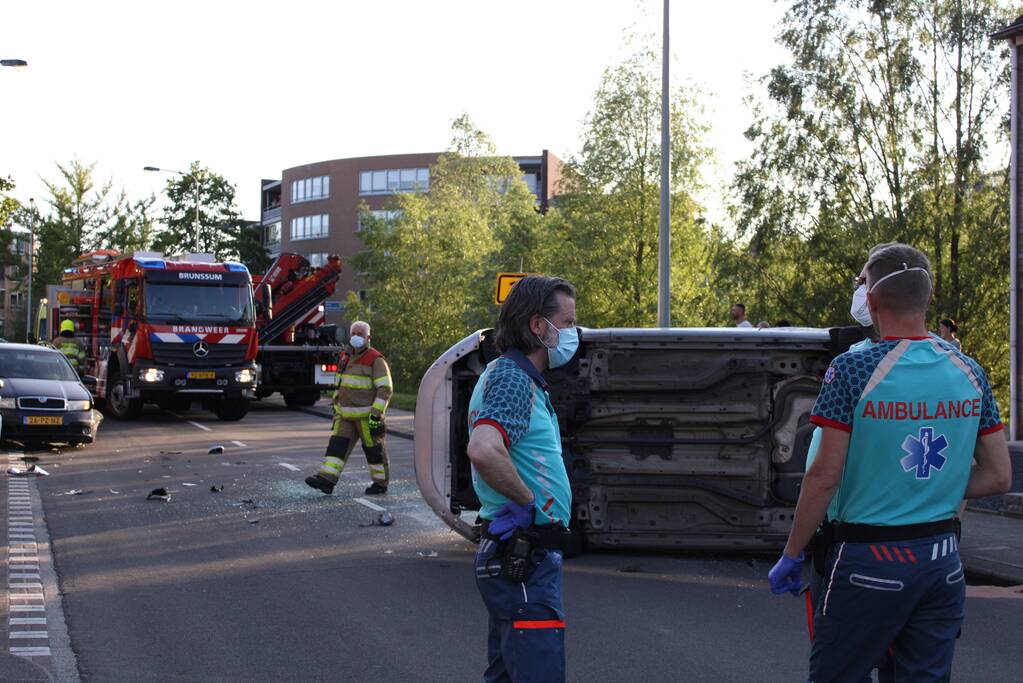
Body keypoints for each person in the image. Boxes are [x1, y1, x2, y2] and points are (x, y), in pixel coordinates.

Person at [768, 243, 1012, 682]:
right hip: (941, 560)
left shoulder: (853, 369)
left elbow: (823, 476)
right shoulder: (970, 371)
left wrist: (792, 552)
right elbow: (998, 476)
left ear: (874, 300)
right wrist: (933, 489)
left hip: (867, 560)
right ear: (928, 296)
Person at [466, 275, 576, 683]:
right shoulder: (513, 377)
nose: (572, 334)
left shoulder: (511, 376)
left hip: (520, 556)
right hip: (524, 556)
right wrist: (530, 504)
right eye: (566, 324)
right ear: (537, 326)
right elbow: (483, 449)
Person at [305, 320, 393, 496]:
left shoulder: (375, 360)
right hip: (345, 415)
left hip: (368, 418)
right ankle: (326, 480)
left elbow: (385, 389)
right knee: (336, 448)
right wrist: (337, 407)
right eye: (353, 333)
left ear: (368, 338)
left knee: (374, 452)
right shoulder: (345, 356)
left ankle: (380, 484)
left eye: (360, 334)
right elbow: (341, 384)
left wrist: (376, 415)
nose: (356, 337)